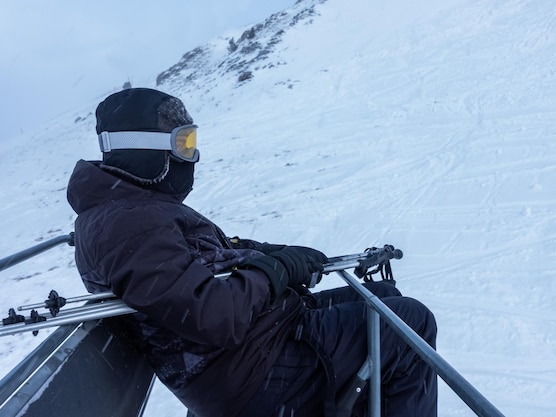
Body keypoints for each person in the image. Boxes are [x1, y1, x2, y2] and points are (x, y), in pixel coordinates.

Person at [66, 88, 437, 417]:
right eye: (183, 143)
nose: (191, 157)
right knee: (409, 324)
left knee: (383, 298)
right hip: (248, 373)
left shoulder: (133, 207)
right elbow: (210, 315)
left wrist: (268, 253)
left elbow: (206, 259)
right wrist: (274, 270)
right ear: (145, 149)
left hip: (253, 345)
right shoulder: (129, 222)